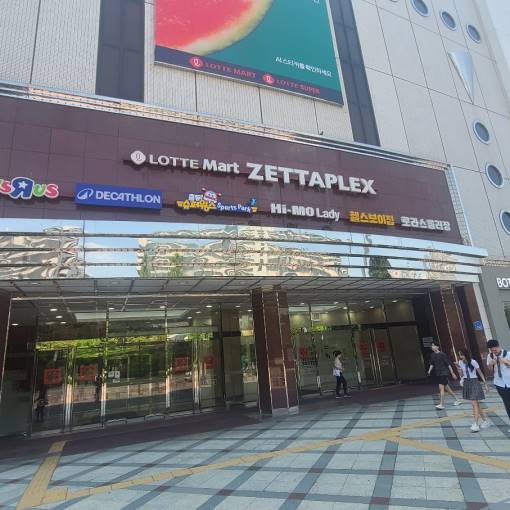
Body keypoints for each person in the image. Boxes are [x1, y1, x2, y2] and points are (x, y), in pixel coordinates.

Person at [457, 349, 490, 432]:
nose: (460, 356)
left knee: (474, 403)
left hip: (474, 382)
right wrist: (459, 369)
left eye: (462, 354)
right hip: (467, 382)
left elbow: (480, 373)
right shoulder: (460, 362)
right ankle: (485, 421)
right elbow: (462, 374)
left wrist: (485, 384)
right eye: (459, 355)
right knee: (476, 404)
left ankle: (475, 424)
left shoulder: (473, 361)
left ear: (466, 354)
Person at [428, 341, 462, 409]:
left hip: (444, 373)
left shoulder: (442, 354)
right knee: (448, 389)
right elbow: (432, 364)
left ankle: (441, 404)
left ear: (437, 347)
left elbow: (448, 364)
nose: (432, 347)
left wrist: (452, 373)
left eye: (434, 345)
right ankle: (458, 400)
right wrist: (429, 370)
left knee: (441, 388)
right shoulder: (432, 355)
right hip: (438, 373)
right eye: (432, 346)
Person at [486, 339, 510, 432]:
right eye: (491, 350)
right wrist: (491, 364)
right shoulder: (490, 356)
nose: (494, 351)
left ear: (498, 346)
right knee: (507, 404)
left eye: (495, 349)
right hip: (500, 384)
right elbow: (489, 369)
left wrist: (506, 362)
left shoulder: (508, 354)